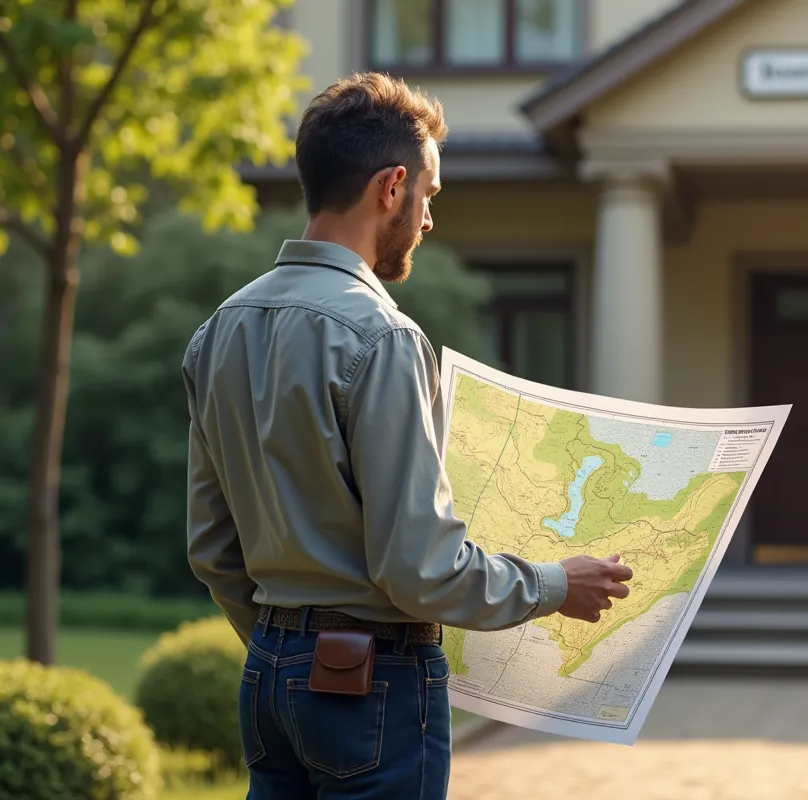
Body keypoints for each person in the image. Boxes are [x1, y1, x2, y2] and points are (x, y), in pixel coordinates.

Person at [182, 72, 634, 800]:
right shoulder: (382, 336)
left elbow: (211, 547)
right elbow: (419, 569)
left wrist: (287, 646)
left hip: (267, 674)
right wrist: (557, 583)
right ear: (392, 187)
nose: (428, 220)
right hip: (373, 682)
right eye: (428, 194)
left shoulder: (218, 330)